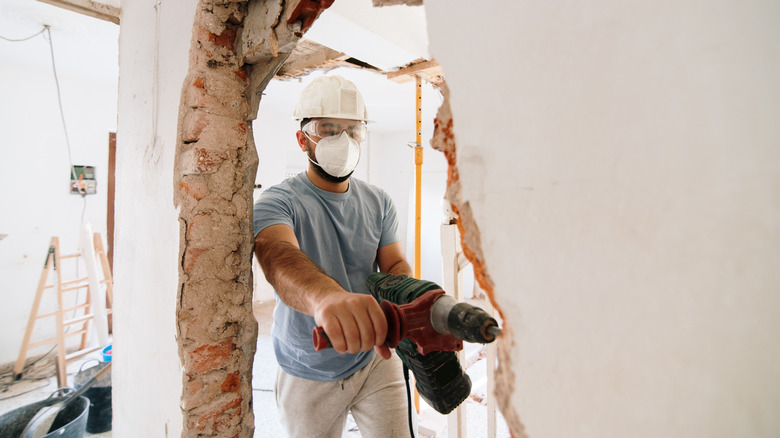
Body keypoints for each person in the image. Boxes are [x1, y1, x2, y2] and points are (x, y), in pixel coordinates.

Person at [253, 75, 415, 437]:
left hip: (375, 355)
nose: (343, 141)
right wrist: (325, 298)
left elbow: (393, 264)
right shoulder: (278, 201)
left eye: (353, 131)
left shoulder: (379, 202)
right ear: (302, 139)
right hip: (308, 364)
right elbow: (278, 255)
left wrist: (409, 295)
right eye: (328, 130)